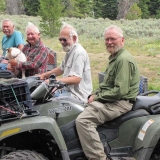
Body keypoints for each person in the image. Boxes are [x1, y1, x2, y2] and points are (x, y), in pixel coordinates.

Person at [76, 25, 140, 160]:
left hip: (120, 102)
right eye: (107, 39)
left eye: (112, 39)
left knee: (83, 121)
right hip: (113, 99)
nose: (109, 42)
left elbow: (120, 91)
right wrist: (93, 95)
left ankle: (98, 157)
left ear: (122, 40)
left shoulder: (123, 60)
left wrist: (97, 98)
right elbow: (106, 85)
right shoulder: (115, 57)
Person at [38, 23, 93, 103]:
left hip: (78, 95)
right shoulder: (70, 51)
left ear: (74, 38)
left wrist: (54, 81)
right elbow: (61, 69)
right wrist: (44, 75)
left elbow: (76, 79)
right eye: (60, 39)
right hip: (68, 92)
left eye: (64, 39)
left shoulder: (79, 53)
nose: (62, 42)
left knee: (49, 104)